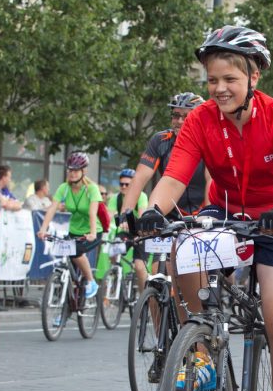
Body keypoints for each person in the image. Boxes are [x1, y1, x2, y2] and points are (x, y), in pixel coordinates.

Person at [136, 25, 273, 391]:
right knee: (182, 249)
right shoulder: (200, 120)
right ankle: (201, 348)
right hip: (228, 214)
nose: (219, 89)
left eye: (229, 79)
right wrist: (154, 210)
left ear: (254, 75)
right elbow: (174, 177)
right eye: (212, 80)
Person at [121, 92, 210, 291]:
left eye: (185, 116)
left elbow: (211, 180)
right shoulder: (160, 140)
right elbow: (139, 179)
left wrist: (209, 213)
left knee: (201, 278)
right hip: (168, 213)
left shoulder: (207, 140)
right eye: (175, 115)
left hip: (200, 213)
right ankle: (158, 316)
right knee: (157, 277)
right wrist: (125, 215)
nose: (179, 121)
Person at [37, 152, 112, 300]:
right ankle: (66, 307)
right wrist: (43, 229)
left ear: (83, 171)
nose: (72, 173)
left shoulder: (91, 189)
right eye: (70, 170)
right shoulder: (64, 188)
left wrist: (91, 233)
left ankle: (91, 282)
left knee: (76, 252)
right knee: (69, 267)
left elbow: (92, 212)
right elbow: (52, 208)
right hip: (74, 231)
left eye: (76, 170)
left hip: (93, 231)